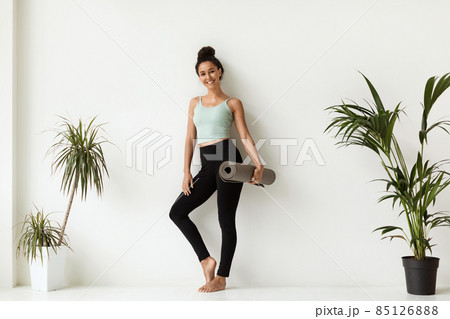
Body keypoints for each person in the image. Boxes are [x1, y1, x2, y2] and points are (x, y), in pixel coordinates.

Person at [169, 46, 264, 293]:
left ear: (220, 72)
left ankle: (221, 278)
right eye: (203, 73)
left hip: (228, 160)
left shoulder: (233, 103)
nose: (208, 76)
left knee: (225, 219)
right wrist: (186, 171)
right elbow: (190, 138)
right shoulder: (194, 103)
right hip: (207, 162)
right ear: (198, 77)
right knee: (177, 212)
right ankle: (206, 260)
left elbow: (244, 136)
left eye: (212, 71)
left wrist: (258, 163)